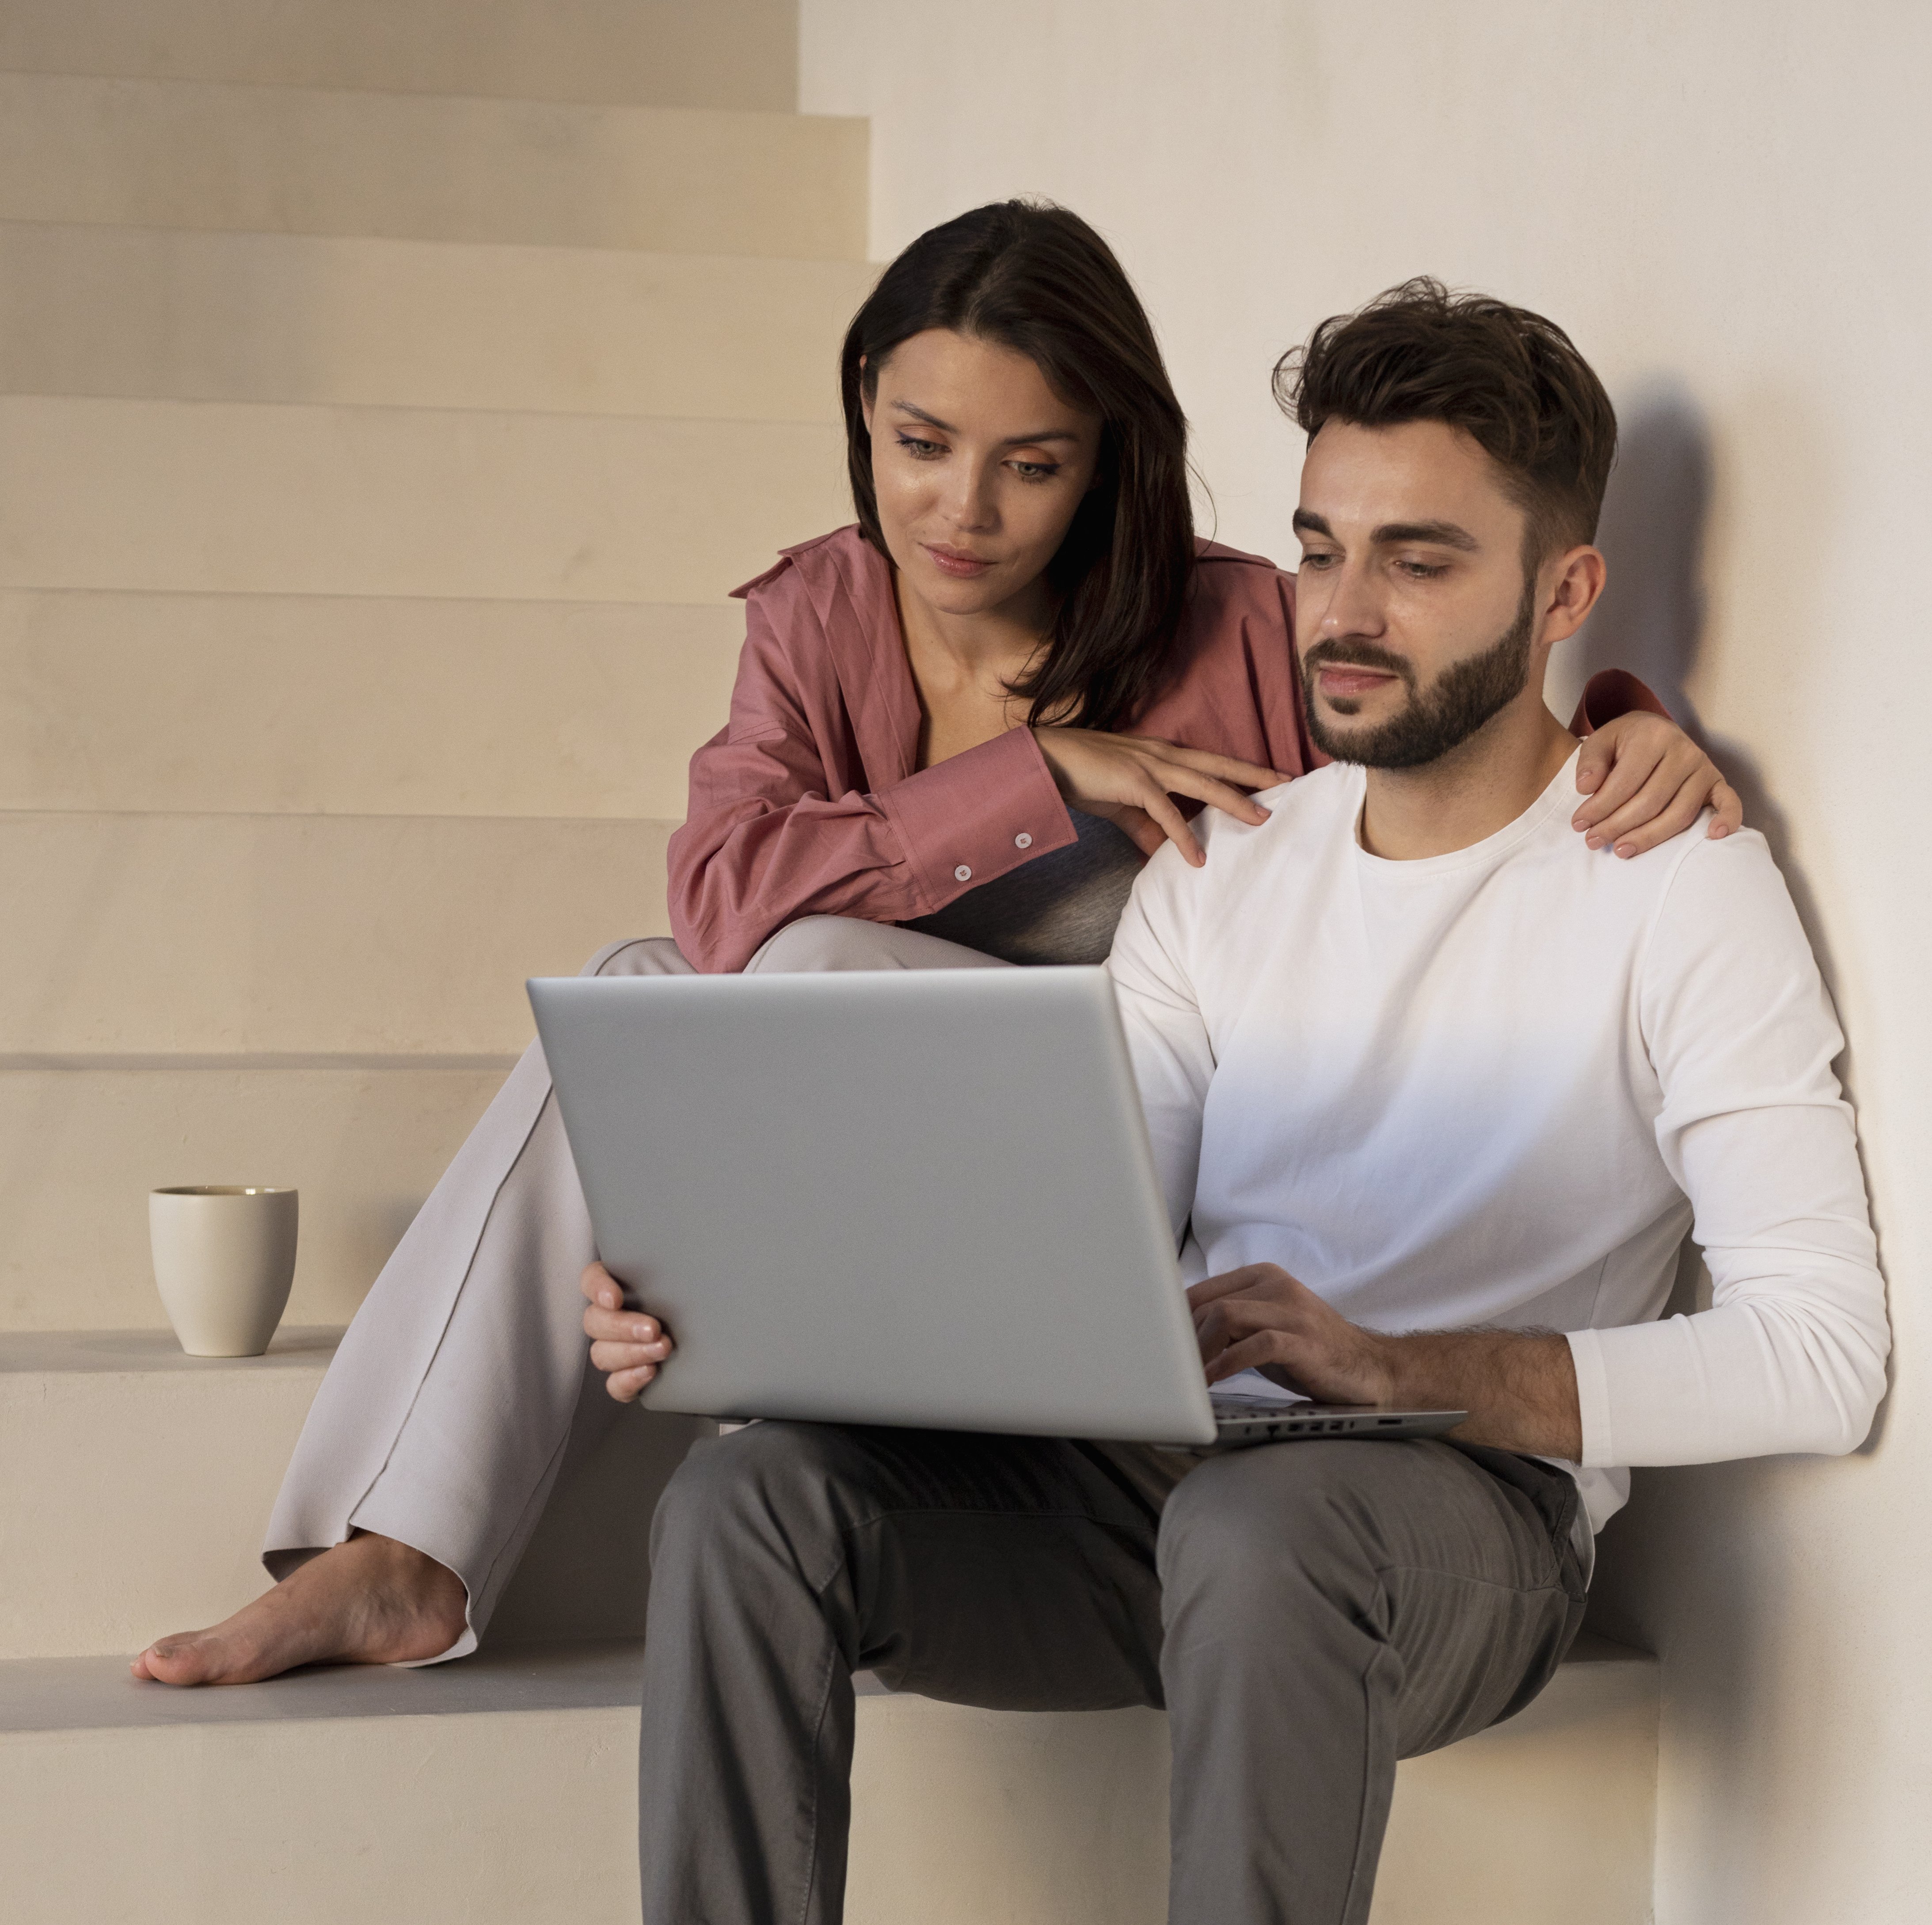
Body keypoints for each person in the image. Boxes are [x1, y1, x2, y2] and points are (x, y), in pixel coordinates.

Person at [133, 207, 1733, 1688]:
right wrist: (1035, 776)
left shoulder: (1237, 619)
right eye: (919, 445)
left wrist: (1618, 717)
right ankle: (402, 1547)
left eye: (1031, 464)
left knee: (808, 969)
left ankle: (773, 1429)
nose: (961, 511)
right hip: (902, 1140)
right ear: (861, 408)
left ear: (1107, 459)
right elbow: (721, 897)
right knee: (641, 993)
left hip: (1133, 1140)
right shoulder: (818, 613)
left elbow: (1430, 761)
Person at [611, 280, 1887, 1925]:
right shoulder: (1227, 864)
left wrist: (1405, 1370)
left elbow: (1820, 1351)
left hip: (1451, 1519)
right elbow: (1084, 1236)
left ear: (1565, 588)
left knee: (1267, 1522)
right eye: (1316, 547)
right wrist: (732, 1307)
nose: (1342, 611)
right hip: (1169, 1479)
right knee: (746, 1495)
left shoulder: (1676, 886)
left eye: (1417, 560)